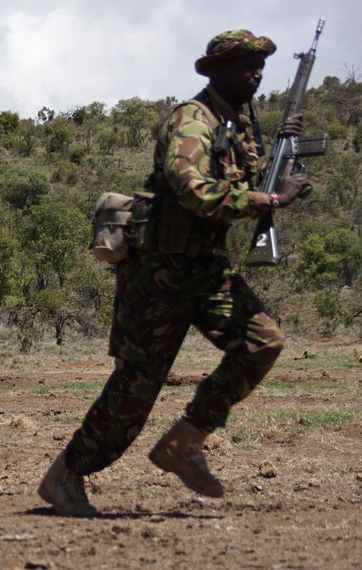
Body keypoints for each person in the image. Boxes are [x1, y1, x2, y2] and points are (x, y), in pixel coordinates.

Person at [38, 30, 310, 516]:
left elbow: (237, 178)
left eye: (261, 64)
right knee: (136, 388)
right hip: (159, 275)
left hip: (206, 270)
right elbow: (195, 191)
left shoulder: (240, 123)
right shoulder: (192, 121)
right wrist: (269, 199)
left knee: (260, 343)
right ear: (216, 70)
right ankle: (67, 474)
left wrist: (280, 153)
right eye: (246, 63)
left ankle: (183, 441)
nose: (257, 72)